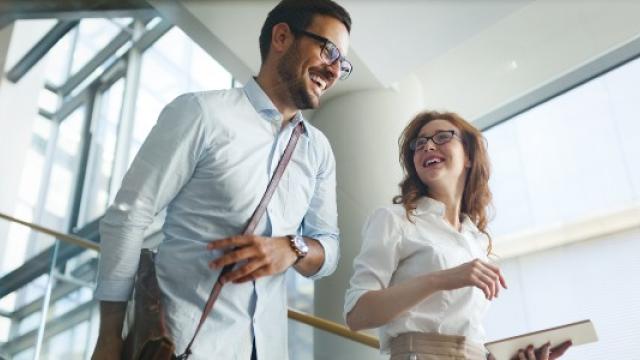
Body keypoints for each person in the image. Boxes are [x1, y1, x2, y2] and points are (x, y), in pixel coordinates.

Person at [91, 1, 352, 359]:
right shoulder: (201, 113)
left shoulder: (318, 150)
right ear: (281, 37)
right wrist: (108, 338)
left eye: (344, 63)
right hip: (184, 344)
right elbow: (129, 216)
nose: (335, 69)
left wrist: (292, 248)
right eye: (329, 50)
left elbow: (330, 246)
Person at [344, 111, 572, 360]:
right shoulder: (394, 219)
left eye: (442, 137)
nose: (428, 145)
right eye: (419, 143)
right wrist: (441, 279)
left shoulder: (475, 240)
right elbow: (357, 314)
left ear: (469, 157)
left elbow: (468, 336)